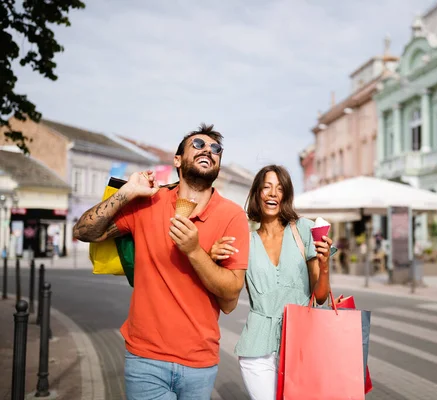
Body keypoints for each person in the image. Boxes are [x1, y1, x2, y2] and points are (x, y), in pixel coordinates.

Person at [72, 123, 250, 400]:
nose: (209, 151)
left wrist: (194, 251)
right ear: (177, 160)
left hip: (199, 362)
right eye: (199, 145)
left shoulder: (232, 215)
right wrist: (127, 192)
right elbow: (83, 231)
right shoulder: (148, 203)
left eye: (216, 149)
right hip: (146, 358)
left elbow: (230, 297)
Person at [209, 165, 334, 400]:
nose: (273, 193)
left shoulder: (305, 230)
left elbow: (320, 296)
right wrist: (213, 260)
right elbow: (227, 303)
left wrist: (325, 264)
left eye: (279, 188)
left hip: (301, 341)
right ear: (257, 194)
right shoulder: (244, 241)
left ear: (286, 195)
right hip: (257, 346)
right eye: (266, 187)